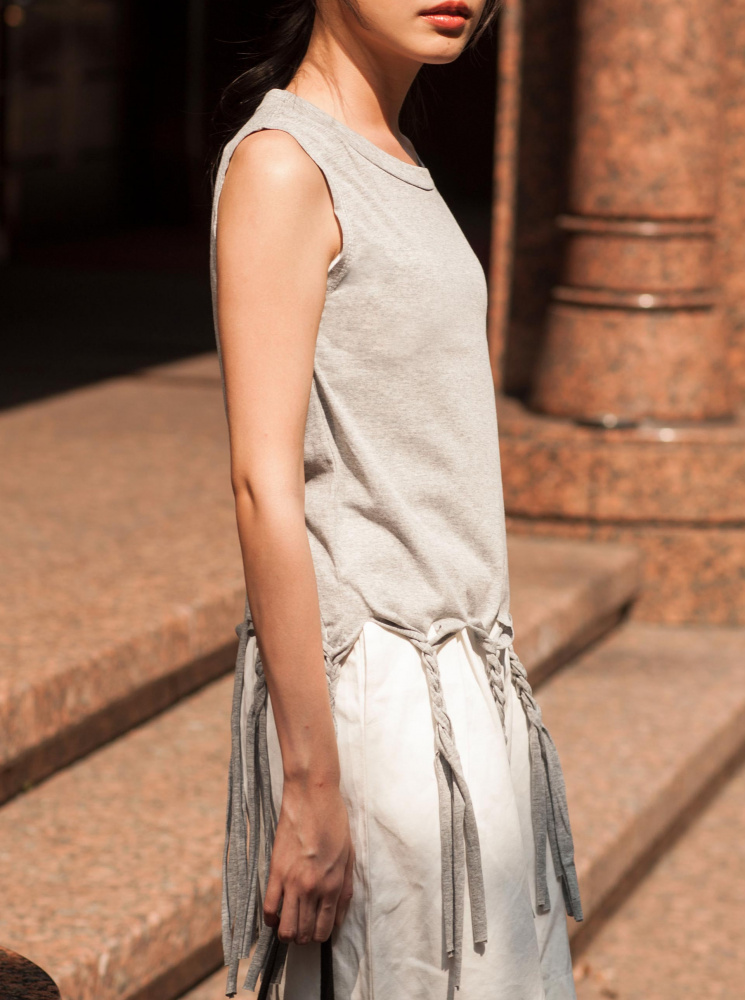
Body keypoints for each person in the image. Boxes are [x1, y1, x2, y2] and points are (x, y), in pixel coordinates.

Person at [210, 1, 583, 997]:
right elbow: (262, 484)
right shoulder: (285, 165)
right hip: (380, 692)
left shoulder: (392, 152)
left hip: (464, 681)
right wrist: (310, 782)